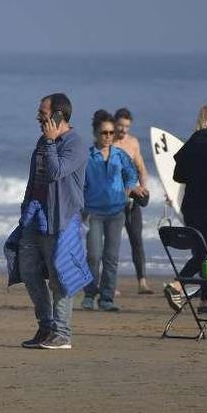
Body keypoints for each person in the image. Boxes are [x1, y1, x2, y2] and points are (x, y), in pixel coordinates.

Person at [14, 93, 88, 349]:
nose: (38, 117)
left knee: (60, 276)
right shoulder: (42, 141)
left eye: (43, 113)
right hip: (34, 216)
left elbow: (57, 172)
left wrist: (50, 141)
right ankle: (46, 327)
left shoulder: (75, 144)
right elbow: (35, 178)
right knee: (28, 271)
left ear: (58, 115)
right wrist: (25, 207)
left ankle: (62, 333)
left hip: (62, 220)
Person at [166, 106, 207, 311]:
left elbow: (177, 176)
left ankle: (205, 301)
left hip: (190, 206)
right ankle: (177, 284)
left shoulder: (191, 143)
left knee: (204, 255)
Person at [81, 110, 140, 312]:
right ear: (95, 133)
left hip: (116, 212)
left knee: (111, 257)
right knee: (93, 255)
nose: (108, 137)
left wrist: (131, 187)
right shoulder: (87, 157)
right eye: (103, 133)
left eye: (111, 133)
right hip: (93, 212)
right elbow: (77, 182)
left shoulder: (120, 155)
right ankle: (89, 294)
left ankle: (107, 298)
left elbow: (132, 173)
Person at [113, 108, 153, 294]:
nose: (123, 130)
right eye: (120, 125)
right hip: (113, 201)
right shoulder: (107, 142)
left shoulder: (133, 143)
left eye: (127, 126)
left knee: (137, 240)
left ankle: (142, 283)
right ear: (114, 124)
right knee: (112, 243)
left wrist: (143, 187)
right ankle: (109, 284)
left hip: (132, 201)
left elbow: (142, 169)